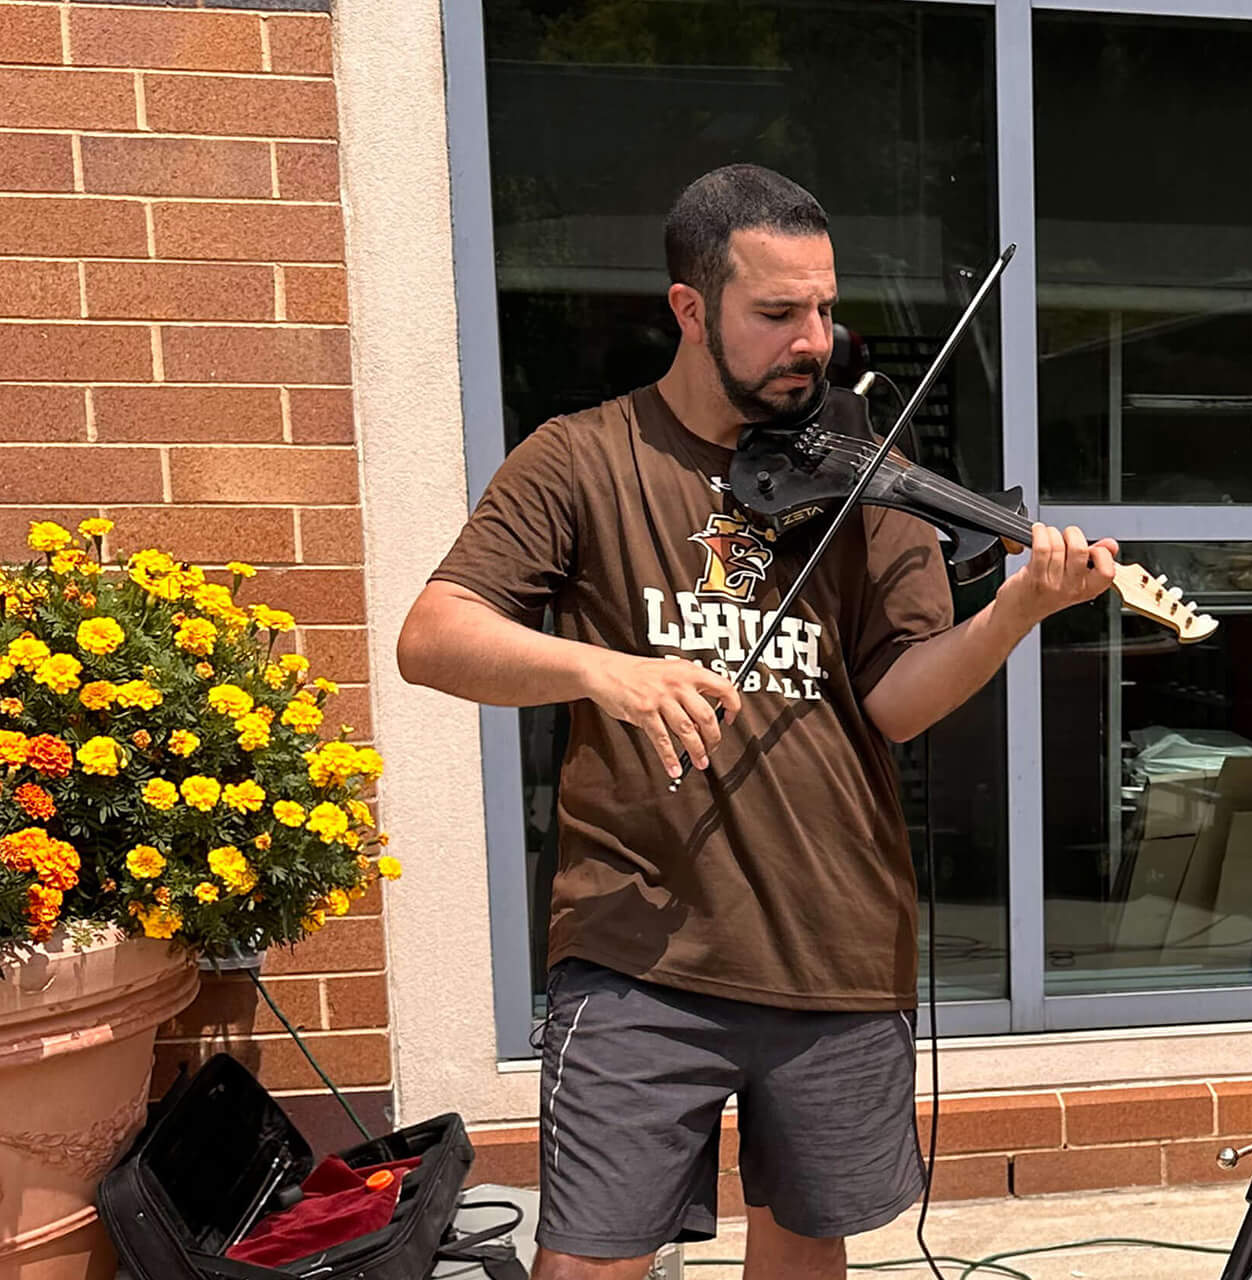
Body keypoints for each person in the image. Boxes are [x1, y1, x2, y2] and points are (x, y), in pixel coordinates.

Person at [398, 165, 1118, 1280]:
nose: (814, 342)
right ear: (691, 309)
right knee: (587, 1257)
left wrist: (1016, 609)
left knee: (802, 1249)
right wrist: (608, 673)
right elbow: (432, 635)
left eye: (826, 310)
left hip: (834, 942)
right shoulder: (583, 458)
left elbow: (894, 700)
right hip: (638, 946)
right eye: (777, 313)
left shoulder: (872, 479)